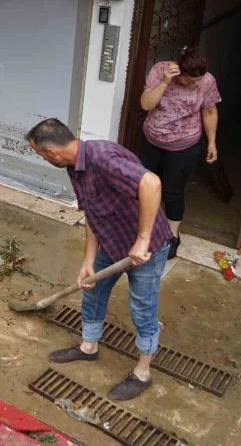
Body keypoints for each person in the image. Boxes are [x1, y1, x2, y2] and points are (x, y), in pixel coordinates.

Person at [27, 118, 172, 401]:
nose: (42, 159)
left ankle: (143, 372)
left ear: (51, 153)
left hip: (147, 250)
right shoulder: (75, 166)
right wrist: (88, 261)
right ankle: (88, 347)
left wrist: (142, 239)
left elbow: (151, 183)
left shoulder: (102, 158)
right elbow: (93, 213)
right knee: (92, 292)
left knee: (142, 308)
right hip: (111, 240)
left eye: (40, 154)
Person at [139, 47, 221, 259]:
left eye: (198, 80)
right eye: (188, 80)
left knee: (172, 192)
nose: (194, 83)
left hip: (184, 145)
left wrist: (212, 142)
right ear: (179, 70)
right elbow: (146, 103)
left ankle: (172, 236)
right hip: (152, 141)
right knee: (143, 187)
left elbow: (210, 110)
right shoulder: (160, 71)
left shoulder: (207, 81)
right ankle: (142, 231)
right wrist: (165, 82)